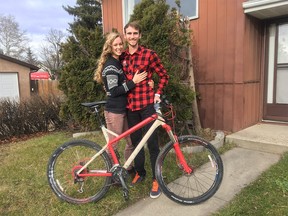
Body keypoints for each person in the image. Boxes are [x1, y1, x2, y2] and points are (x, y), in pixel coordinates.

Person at [121, 21, 169, 199]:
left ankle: (157, 178)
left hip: (147, 106)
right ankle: (140, 173)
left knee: (152, 144)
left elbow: (164, 75)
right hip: (130, 107)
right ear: (125, 36)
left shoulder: (149, 55)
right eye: (129, 34)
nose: (132, 37)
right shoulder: (122, 57)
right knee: (136, 143)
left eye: (135, 33)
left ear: (139, 35)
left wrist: (157, 92)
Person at [94, 32, 147, 174]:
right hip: (114, 111)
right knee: (113, 144)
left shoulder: (118, 62)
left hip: (123, 109)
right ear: (110, 47)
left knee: (130, 141)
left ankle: (127, 168)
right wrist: (133, 82)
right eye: (115, 44)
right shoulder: (111, 65)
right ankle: (111, 174)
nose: (118, 47)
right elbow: (114, 90)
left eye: (120, 44)